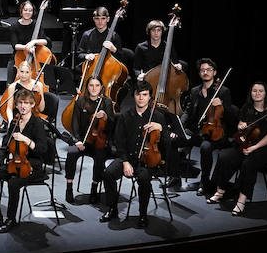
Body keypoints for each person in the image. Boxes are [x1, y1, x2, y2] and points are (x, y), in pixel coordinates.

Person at [0, 87, 53, 232]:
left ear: (32, 105)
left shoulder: (37, 123)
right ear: (16, 105)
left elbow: (43, 149)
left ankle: (11, 219)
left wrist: (26, 140)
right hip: (14, 163)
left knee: (13, 183)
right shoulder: (14, 123)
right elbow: (4, 147)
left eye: (26, 103)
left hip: (33, 167)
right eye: (20, 103)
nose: (23, 106)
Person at [208, 81, 267, 215]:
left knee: (248, 164)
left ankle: (241, 200)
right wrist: (240, 126)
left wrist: (254, 147)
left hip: (262, 148)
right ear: (251, 93)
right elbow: (241, 122)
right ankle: (220, 191)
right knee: (225, 156)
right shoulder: (247, 107)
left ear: (265, 93)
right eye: (254, 91)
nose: (257, 93)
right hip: (245, 143)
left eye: (261, 91)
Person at [101, 81, 166, 228]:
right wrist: (124, 162)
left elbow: (167, 143)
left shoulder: (157, 117)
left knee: (143, 179)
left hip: (148, 162)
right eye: (138, 94)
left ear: (150, 97)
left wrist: (160, 128)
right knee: (108, 173)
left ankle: (143, 214)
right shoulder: (125, 116)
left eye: (144, 95)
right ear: (134, 96)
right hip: (128, 158)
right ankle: (112, 209)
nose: (141, 98)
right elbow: (119, 142)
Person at [181, 58, 235, 196]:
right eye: (202, 70)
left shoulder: (223, 92)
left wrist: (221, 105)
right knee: (175, 139)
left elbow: (231, 117)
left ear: (214, 72)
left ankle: (204, 182)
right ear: (199, 73)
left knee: (205, 147)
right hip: (197, 130)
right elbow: (188, 111)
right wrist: (180, 125)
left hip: (215, 133)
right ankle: (175, 177)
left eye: (208, 70)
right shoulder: (194, 91)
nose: (205, 72)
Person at [63, 76, 112, 206]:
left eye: (97, 85)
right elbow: (74, 125)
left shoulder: (106, 102)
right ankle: (69, 187)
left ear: (101, 87)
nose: (94, 88)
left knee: (100, 156)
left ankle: (94, 187)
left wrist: (106, 116)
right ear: (87, 87)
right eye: (91, 85)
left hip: (99, 140)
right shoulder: (80, 102)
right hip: (83, 140)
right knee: (71, 153)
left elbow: (112, 124)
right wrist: (77, 141)